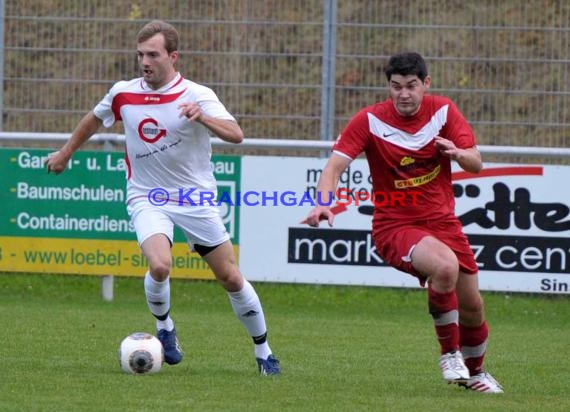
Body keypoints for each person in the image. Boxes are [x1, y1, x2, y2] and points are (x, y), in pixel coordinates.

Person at [46, 19, 280, 376]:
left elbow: (236, 135)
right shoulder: (123, 92)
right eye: (141, 54)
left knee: (230, 277)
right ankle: (165, 329)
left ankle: (264, 352)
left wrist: (203, 118)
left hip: (193, 197)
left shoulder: (197, 95)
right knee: (160, 265)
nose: (145, 61)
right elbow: (93, 120)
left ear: (173, 56)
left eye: (153, 54)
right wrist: (65, 153)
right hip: (146, 195)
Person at [304, 52, 502, 393]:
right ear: (389, 87)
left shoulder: (443, 112)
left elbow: (476, 164)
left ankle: (477, 374)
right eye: (396, 87)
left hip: (444, 224)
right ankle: (449, 354)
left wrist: (457, 153)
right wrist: (323, 204)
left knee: (472, 305)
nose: (404, 94)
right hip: (395, 226)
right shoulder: (369, 120)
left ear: (426, 84)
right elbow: (333, 168)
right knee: (444, 267)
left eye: (411, 86)